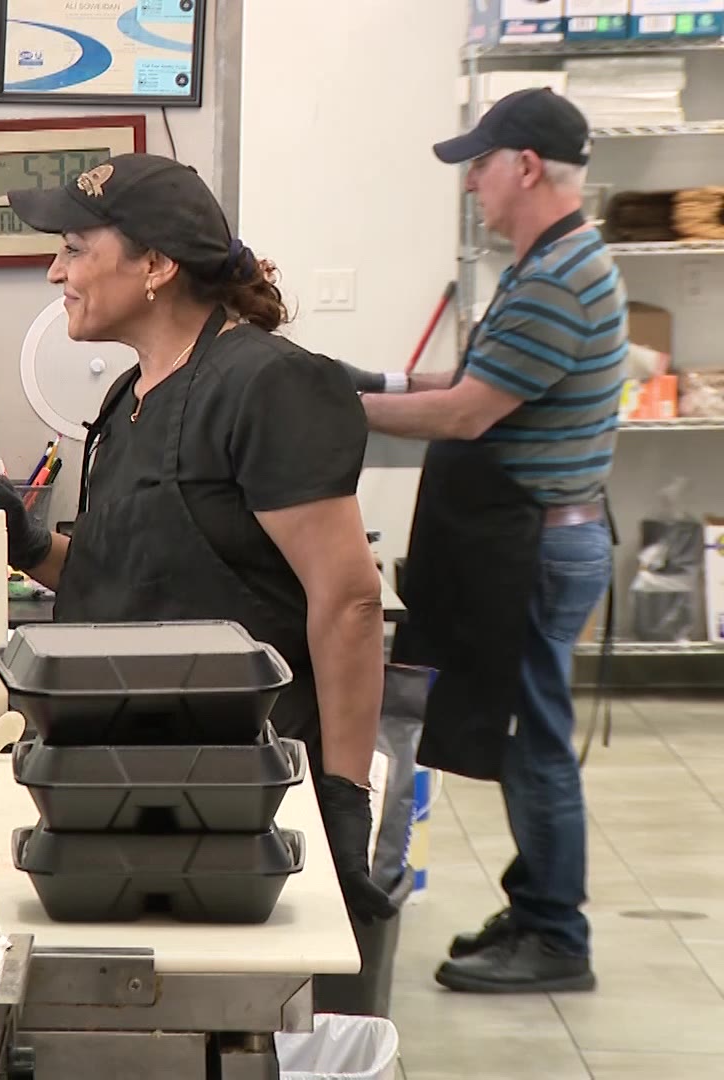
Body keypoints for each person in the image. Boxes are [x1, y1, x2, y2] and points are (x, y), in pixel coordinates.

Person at [0, 153, 397, 926]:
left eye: (75, 249)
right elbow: (133, 584)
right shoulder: (129, 396)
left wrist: (343, 798)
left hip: (243, 792)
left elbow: (349, 600)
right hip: (130, 780)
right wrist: (31, 548)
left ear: (155, 264)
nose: (57, 273)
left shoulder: (270, 385)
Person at [348, 88, 621, 994]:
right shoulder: (549, 263)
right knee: (524, 737)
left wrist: (332, 409)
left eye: (481, 165)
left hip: (535, 549)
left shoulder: (557, 280)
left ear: (526, 167)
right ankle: (538, 903)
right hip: (533, 538)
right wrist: (373, 380)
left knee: (534, 742)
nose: (472, 184)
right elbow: (471, 377)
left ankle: (557, 936)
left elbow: (467, 411)